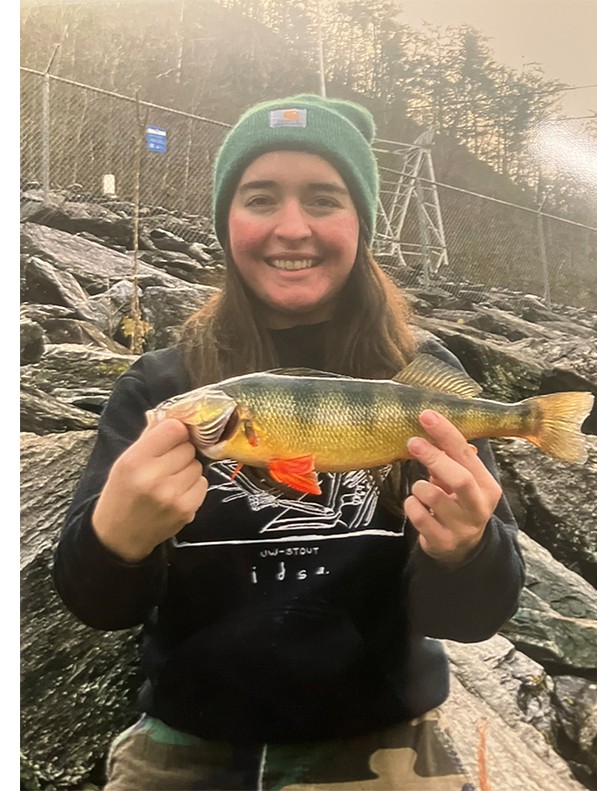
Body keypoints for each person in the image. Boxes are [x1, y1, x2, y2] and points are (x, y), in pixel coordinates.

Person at [53, 93, 525, 791]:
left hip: (383, 746)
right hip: (186, 748)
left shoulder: (421, 378)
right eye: (261, 197)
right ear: (225, 221)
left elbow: (475, 615)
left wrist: (467, 549)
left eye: (325, 199)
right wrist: (114, 540)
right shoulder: (158, 388)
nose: (292, 227)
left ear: (361, 221)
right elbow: (96, 604)